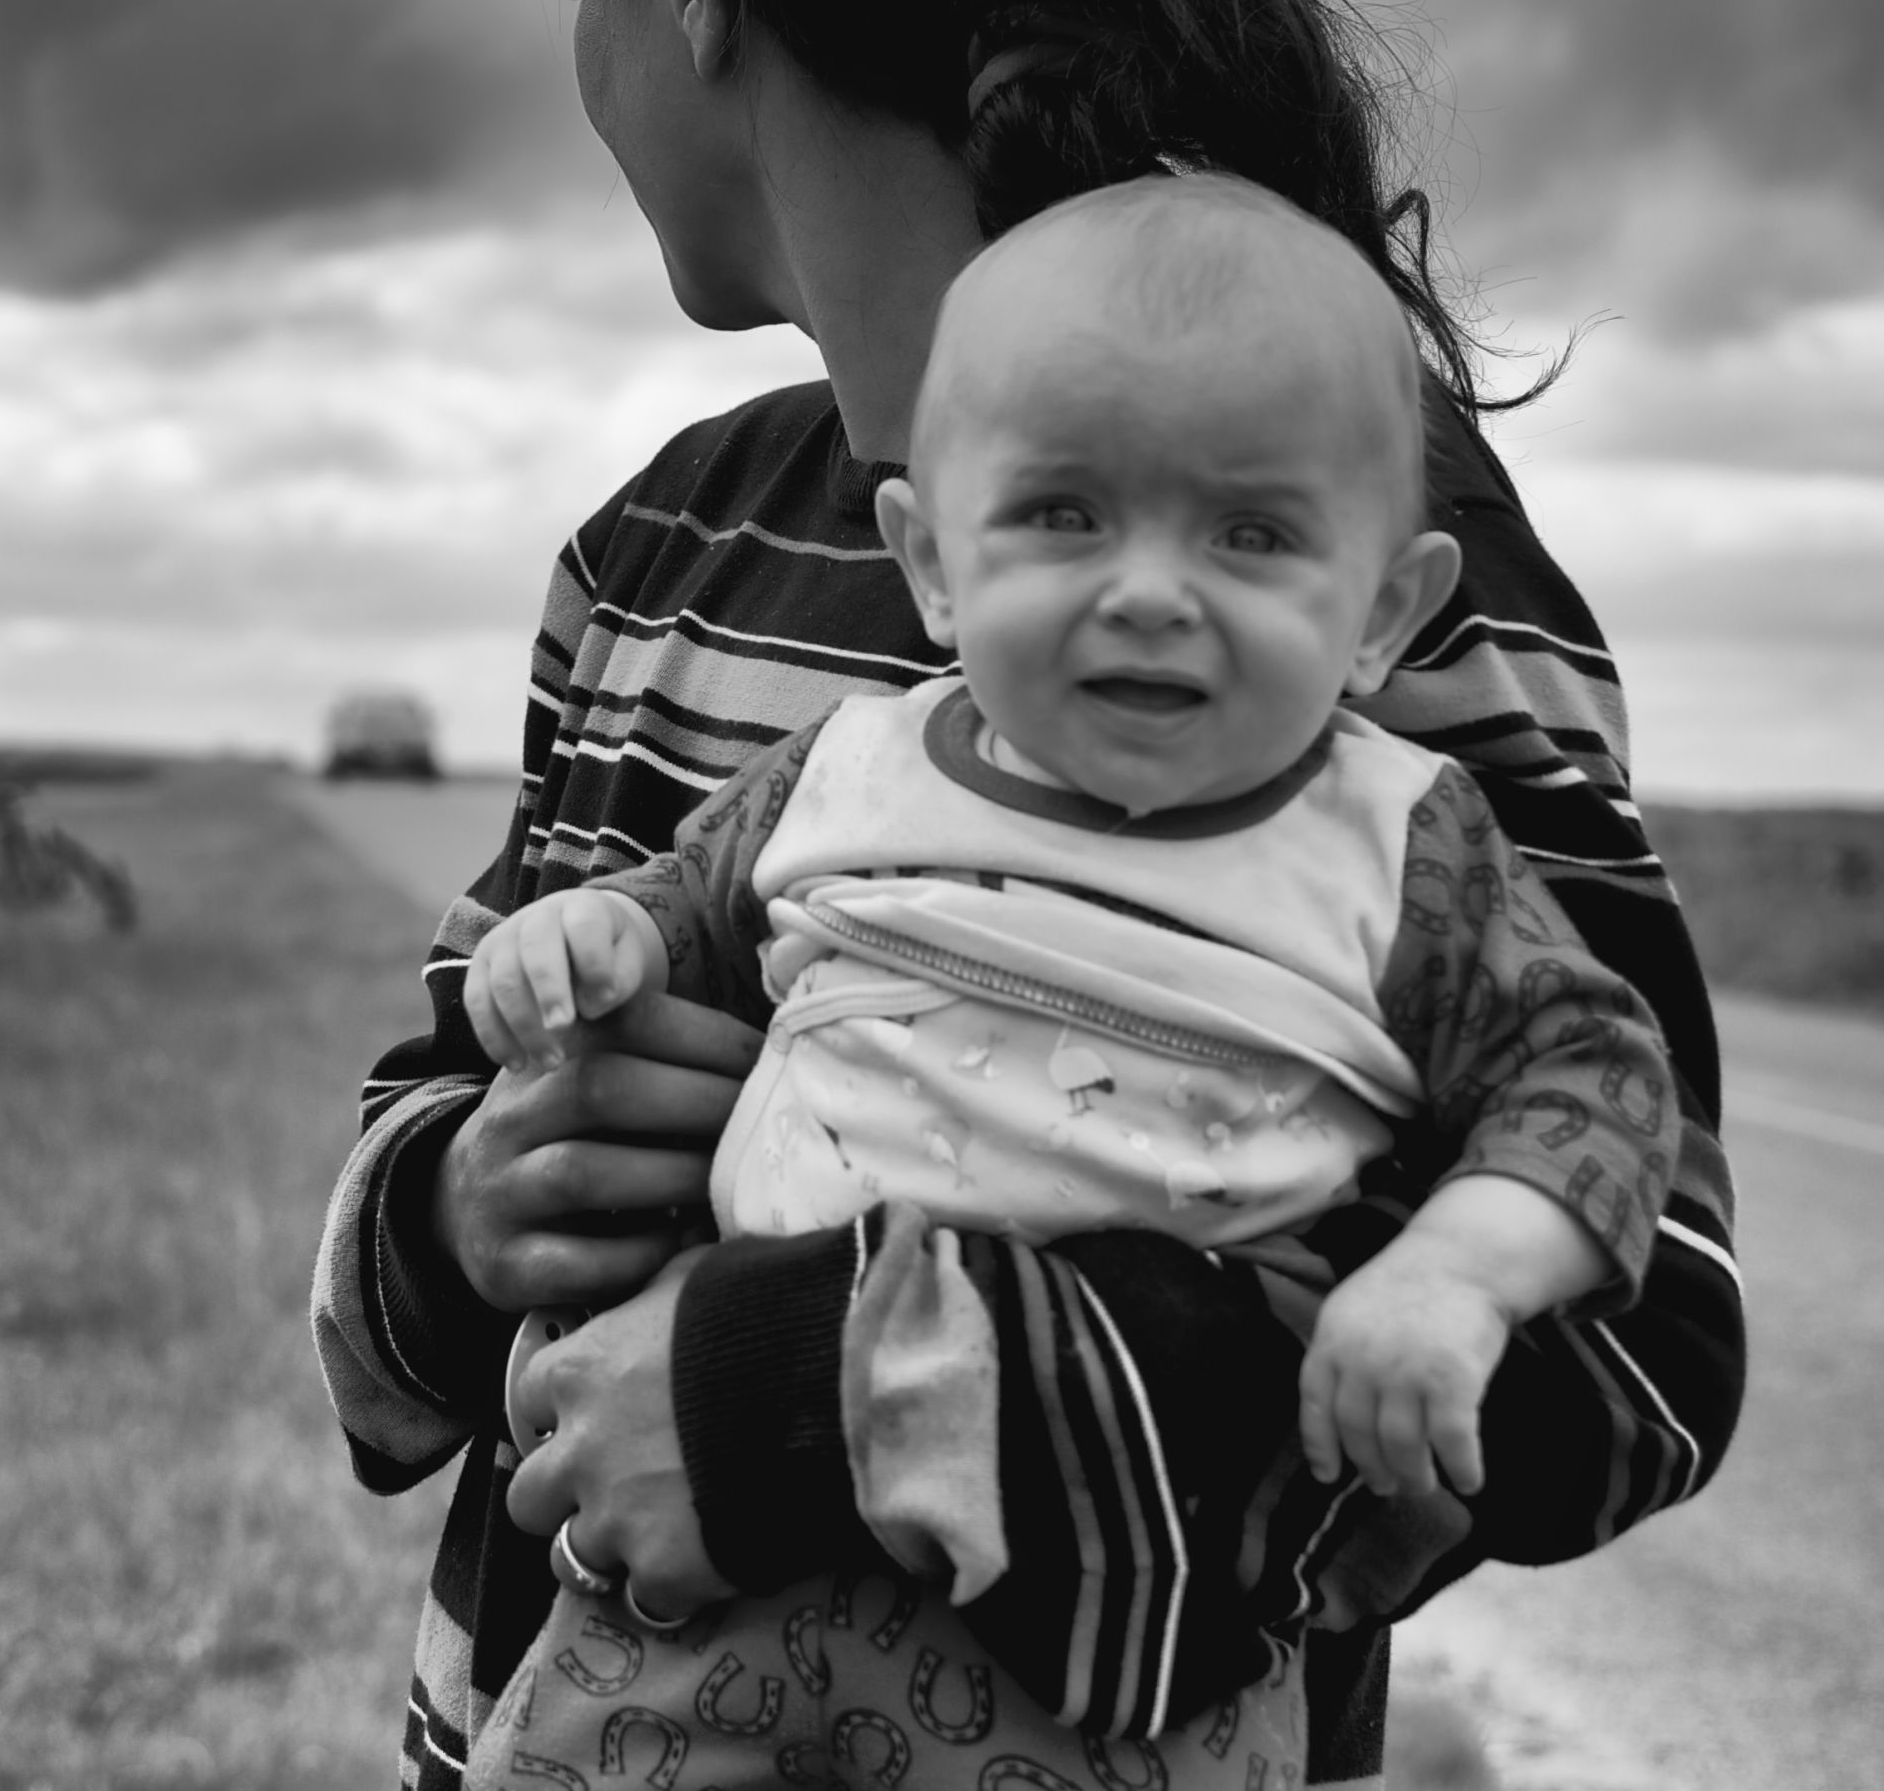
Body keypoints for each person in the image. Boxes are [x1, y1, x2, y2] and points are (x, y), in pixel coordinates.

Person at [310, 0, 1745, 1791]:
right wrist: (469, 1197)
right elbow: (429, 1117)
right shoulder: (660, 550)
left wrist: (819, 1392)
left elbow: (1642, 1327)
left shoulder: (1368, 539)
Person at [452, 174, 1681, 1788]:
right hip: (694, 1583)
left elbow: (1597, 1074)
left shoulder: (1401, 847)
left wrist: (1455, 1270)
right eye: (1065, 514)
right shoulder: (844, 768)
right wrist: (579, 941)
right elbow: (682, 906)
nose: (1151, 586)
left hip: (1124, 1649)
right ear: (934, 561)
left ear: (1384, 609)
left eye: (1250, 531)